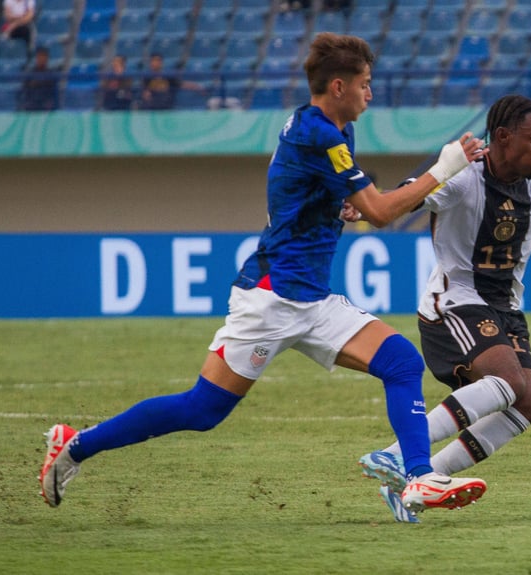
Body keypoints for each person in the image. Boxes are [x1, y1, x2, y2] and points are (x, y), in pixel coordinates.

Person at [38, 33, 490, 518]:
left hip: (312, 298)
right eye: (365, 84)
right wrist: (447, 166)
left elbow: (326, 195)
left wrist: (336, 207)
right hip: (272, 298)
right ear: (339, 86)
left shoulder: (327, 127)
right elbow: (382, 213)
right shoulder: (321, 133)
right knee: (201, 410)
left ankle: (419, 478)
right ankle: (75, 445)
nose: (370, 93)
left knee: (401, 362)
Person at [355, 94, 531, 523]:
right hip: (451, 302)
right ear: (502, 137)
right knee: (506, 380)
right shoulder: (464, 176)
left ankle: (419, 483)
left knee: (528, 404)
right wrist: (363, 202)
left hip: (505, 307)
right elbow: (405, 200)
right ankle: (396, 457)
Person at [140, 53, 206, 110]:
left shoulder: (168, 76)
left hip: (166, 106)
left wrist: (197, 87)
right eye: (153, 61)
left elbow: (181, 84)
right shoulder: (147, 77)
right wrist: (146, 93)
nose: (155, 63)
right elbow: (145, 92)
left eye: (157, 60)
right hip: (153, 107)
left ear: (161, 62)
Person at [20, 45, 58, 111]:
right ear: (37, 57)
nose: (42, 59)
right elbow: (24, 90)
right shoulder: (30, 73)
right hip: (32, 104)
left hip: (46, 104)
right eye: (40, 56)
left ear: (47, 58)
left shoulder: (51, 74)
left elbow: (53, 93)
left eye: (44, 56)